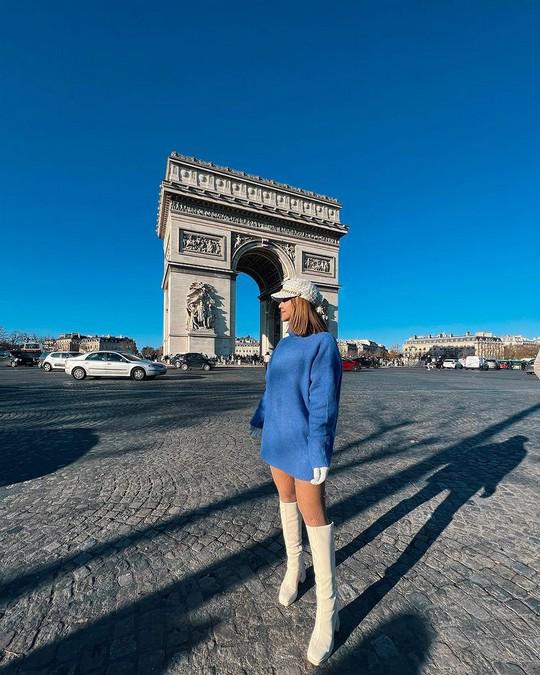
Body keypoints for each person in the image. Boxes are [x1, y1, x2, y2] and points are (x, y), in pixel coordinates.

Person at [249, 277, 342, 666]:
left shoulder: (324, 344)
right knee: (286, 502)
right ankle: (295, 567)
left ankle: (328, 609)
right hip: (277, 437)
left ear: (302, 302)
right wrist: (260, 417)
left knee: (314, 516)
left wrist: (319, 449)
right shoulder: (284, 344)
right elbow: (271, 390)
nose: (279, 305)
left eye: (285, 299)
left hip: (304, 442)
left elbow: (323, 402)